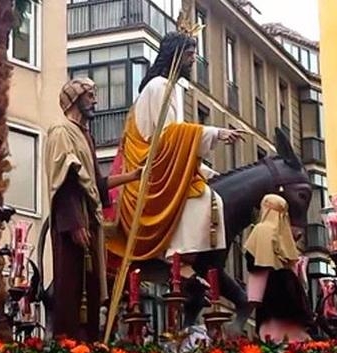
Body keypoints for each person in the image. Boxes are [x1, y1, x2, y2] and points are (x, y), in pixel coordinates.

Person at [104, 28, 251, 332]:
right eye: (189, 55)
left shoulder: (171, 88)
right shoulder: (159, 86)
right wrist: (213, 133)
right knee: (204, 199)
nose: (193, 61)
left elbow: (175, 144)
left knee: (205, 190)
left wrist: (202, 168)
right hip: (148, 169)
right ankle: (179, 257)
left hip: (163, 164)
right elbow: (167, 136)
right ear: (174, 57)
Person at [43, 78, 142, 341]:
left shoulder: (86, 135)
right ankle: (69, 345)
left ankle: (88, 343)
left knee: (92, 286)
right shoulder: (61, 132)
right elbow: (64, 181)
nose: (95, 100)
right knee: (72, 287)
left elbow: (95, 183)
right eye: (89, 95)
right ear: (75, 99)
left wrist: (132, 176)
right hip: (72, 225)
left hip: (90, 223)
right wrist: (75, 223)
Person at [244, 194, 313, 342]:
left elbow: (256, 262)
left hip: (270, 288)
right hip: (290, 289)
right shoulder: (284, 232)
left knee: (272, 333)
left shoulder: (261, 229)